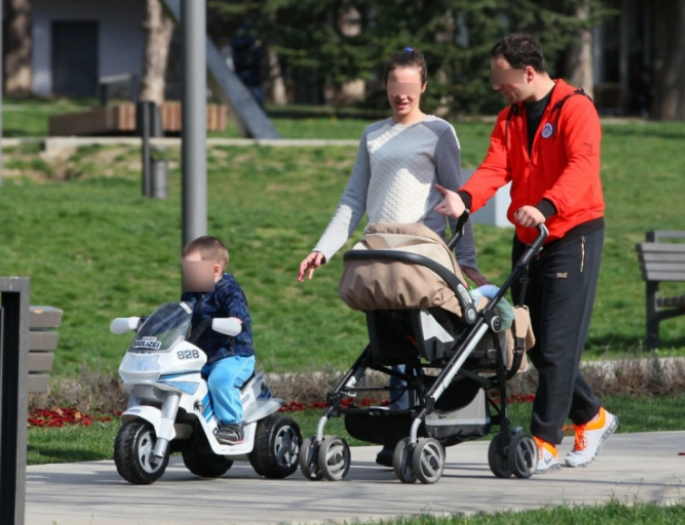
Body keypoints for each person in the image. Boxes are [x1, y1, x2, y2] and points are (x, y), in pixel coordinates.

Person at [433, 33, 618, 474]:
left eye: (503, 80)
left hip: (571, 234)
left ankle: (544, 441)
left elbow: (581, 166)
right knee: (529, 340)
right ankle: (592, 417)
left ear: (529, 72)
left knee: (557, 346)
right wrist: (465, 198)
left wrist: (548, 206)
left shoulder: (576, 108)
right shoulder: (510, 118)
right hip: (529, 237)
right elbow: (496, 167)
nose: (497, 87)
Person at [296, 47, 488, 466]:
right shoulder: (373, 135)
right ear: (384, 85)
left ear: (424, 86)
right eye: (394, 88)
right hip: (380, 256)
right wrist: (322, 249)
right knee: (392, 345)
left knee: (417, 343)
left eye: (409, 89)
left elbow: (458, 202)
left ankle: (414, 428)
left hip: (421, 257)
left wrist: (466, 260)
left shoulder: (439, 131)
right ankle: (401, 430)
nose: (402, 96)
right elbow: (353, 200)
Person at [180, 236, 255, 445]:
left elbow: (238, 314)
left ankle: (233, 426)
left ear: (214, 270)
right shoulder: (192, 293)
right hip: (203, 356)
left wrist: (233, 322)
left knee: (219, 380)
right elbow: (181, 314)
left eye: (192, 269)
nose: (187, 274)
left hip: (233, 356)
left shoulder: (229, 290)